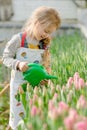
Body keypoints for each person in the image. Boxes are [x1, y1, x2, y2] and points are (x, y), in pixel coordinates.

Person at [3, 6, 61, 130]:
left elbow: (46, 64)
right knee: (19, 120)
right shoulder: (19, 40)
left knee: (34, 118)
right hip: (19, 88)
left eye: (49, 33)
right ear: (36, 22)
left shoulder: (43, 44)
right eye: (45, 30)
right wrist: (18, 64)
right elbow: (5, 58)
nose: (46, 35)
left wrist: (46, 76)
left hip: (37, 88)